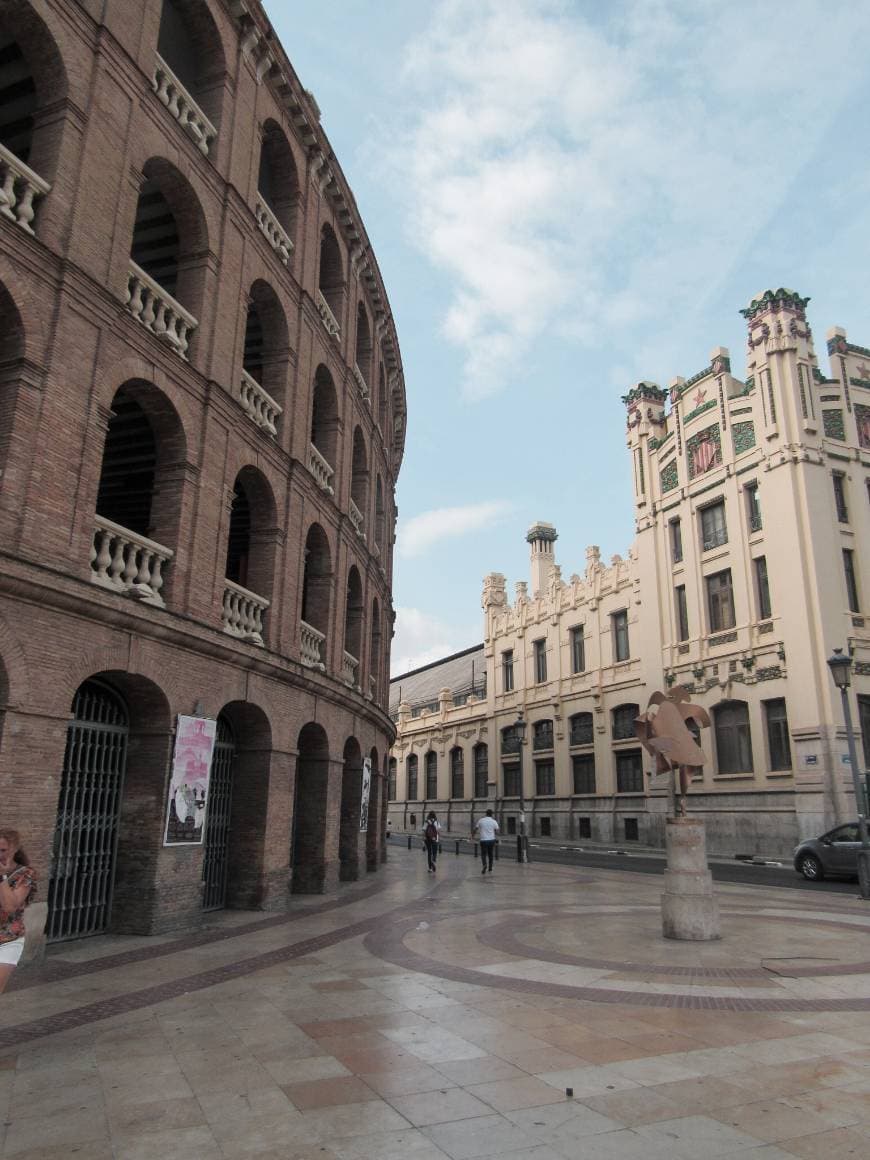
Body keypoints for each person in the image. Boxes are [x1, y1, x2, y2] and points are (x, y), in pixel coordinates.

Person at [0, 828, 36, 993]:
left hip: (8, 940)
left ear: (14, 849)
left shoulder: (25, 874)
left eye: (3, 850)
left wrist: (2, 877)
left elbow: (10, 907)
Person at [473, 809, 499, 874]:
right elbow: (497, 831)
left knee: (483, 854)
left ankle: (484, 865)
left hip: (483, 840)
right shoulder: (494, 821)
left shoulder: (481, 820)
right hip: (491, 840)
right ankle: (490, 868)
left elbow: (475, 829)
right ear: (491, 814)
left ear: (486, 814)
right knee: (490, 854)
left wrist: (472, 836)